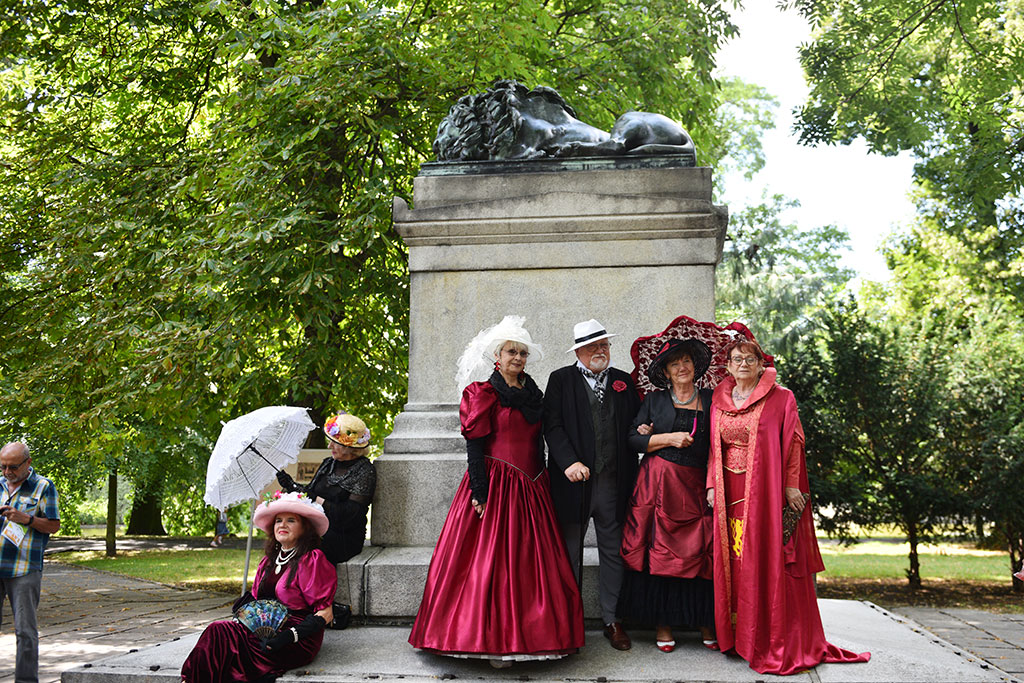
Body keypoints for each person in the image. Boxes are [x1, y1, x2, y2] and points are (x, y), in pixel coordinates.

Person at [409, 316, 584, 667]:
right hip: (497, 485)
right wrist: (479, 491)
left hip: (533, 489)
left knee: (529, 566)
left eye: (522, 352)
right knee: (490, 564)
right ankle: (489, 642)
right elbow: (475, 447)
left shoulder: (535, 395)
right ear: (497, 357)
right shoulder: (482, 394)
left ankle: (531, 636)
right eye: (511, 352)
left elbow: (544, 437)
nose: (518, 358)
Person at [706, 339, 870, 675]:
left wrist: (791, 484)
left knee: (764, 559)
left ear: (761, 362)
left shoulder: (782, 397)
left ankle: (767, 639)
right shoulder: (718, 400)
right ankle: (740, 637)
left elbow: (794, 441)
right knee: (735, 561)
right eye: (736, 359)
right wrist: (711, 483)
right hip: (727, 492)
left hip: (764, 490)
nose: (743, 364)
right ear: (727, 365)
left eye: (750, 359)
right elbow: (713, 446)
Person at [544, 319, 640, 651]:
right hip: (573, 485)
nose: (601, 351)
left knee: (613, 553)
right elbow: (552, 427)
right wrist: (569, 462)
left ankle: (613, 620)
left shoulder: (623, 382)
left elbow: (634, 423)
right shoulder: (560, 380)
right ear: (579, 351)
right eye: (593, 346)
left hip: (614, 483)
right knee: (569, 553)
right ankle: (569, 622)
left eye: (605, 345)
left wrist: (644, 429)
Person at [616, 338, 716, 653]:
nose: (682, 367)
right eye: (675, 364)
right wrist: (666, 438)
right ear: (667, 372)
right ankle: (663, 623)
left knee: (700, 550)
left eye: (686, 361)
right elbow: (632, 439)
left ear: (695, 366)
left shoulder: (713, 399)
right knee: (660, 553)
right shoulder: (654, 401)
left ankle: (704, 620)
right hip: (658, 486)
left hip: (698, 485)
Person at [181, 491, 336, 683]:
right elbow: (256, 603)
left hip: (296, 639)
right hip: (262, 631)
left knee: (227, 644)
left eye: (291, 520)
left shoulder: (311, 560)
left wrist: (288, 636)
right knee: (218, 631)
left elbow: (326, 613)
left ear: (305, 528)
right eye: (278, 520)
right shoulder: (267, 562)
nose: (283, 525)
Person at [277, 411, 376, 565]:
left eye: (335, 442)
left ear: (349, 447)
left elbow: (350, 515)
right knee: (282, 539)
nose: (330, 445)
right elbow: (310, 492)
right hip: (316, 527)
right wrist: (292, 487)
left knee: (301, 545)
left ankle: (298, 587)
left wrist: (316, 499)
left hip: (342, 537)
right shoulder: (328, 463)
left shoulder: (364, 471)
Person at [0, 442, 60, 683]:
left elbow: (53, 525)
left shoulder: (43, 486)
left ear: (28, 463)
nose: (7, 472)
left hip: (23, 568)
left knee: (25, 631)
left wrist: (27, 519)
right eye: (2, 466)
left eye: (13, 467)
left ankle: (25, 681)